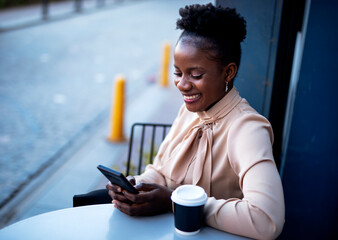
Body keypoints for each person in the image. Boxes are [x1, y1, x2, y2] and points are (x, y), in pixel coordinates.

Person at [105, 3, 284, 239]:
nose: (182, 84)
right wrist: (136, 188)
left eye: (196, 75)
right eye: (178, 72)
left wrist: (178, 202)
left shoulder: (248, 129)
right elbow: (160, 172)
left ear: (228, 72)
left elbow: (266, 220)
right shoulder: (189, 111)